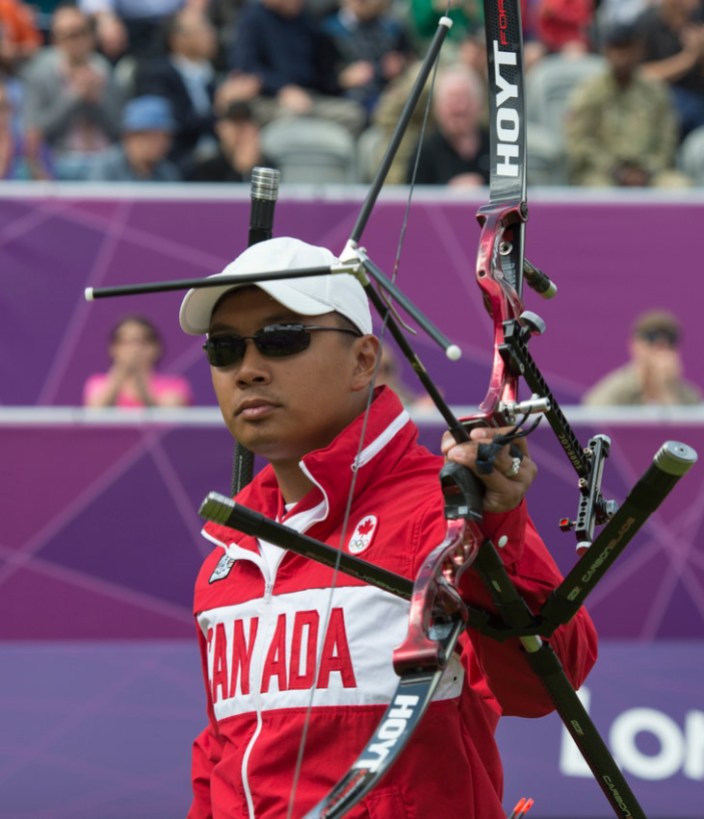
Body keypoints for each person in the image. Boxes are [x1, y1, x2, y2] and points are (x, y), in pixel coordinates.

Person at [177, 236, 597, 817]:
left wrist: (492, 523)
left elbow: (543, 680)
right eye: (224, 349)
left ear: (364, 360)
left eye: (281, 338)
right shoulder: (228, 556)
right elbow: (222, 757)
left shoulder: (439, 507)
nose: (247, 370)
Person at [564, 22, 689, 188]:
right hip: (603, 172)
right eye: (616, 49)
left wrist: (647, 170)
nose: (621, 56)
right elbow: (579, 141)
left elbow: (667, 140)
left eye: (627, 49)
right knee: (600, 194)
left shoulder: (655, 90)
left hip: (648, 171)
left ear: (639, 51)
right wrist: (616, 170)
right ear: (607, 51)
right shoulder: (589, 92)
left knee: (679, 188)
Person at [224, 0, 366, 135]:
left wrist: (340, 80)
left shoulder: (305, 20)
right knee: (294, 116)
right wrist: (283, 88)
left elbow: (320, 71)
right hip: (270, 100)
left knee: (353, 115)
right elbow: (245, 68)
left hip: (309, 97)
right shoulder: (252, 19)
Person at [20, 4, 121, 180]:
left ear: (91, 35)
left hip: (105, 160)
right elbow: (34, 131)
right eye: (68, 35)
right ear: (56, 40)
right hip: (60, 160)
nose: (77, 40)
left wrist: (96, 102)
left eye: (82, 32)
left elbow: (118, 130)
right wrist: (74, 98)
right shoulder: (41, 72)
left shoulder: (103, 69)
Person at [133, 6, 219, 174]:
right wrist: (220, 109)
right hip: (178, 162)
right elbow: (174, 123)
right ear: (178, 39)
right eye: (203, 30)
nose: (212, 34)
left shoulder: (210, 75)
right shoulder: (157, 75)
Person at [582, 309, 702, 406]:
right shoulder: (615, 391)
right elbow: (593, 422)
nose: (660, 348)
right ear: (634, 345)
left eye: (670, 340)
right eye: (651, 338)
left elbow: (686, 432)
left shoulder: (689, 396)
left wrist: (666, 391)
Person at [83, 314, 193, 407]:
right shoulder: (98, 383)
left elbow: (170, 414)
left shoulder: (175, 384)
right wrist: (121, 372)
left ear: (156, 348)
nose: (133, 348)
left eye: (139, 341)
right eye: (125, 342)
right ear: (113, 349)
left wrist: (140, 381)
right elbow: (94, 413)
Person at [408, 63, 490, 186]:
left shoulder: (500, 148)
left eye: (465, 98)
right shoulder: (424, 151)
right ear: (437, 107)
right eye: (451, 100)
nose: (459, 107)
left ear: (479, 104)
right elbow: (411, 199)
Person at [636, 0, 704, 141]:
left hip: (697, 97)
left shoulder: (699, 19)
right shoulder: (647, 22)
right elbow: (640, 75)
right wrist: (689, 58)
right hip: (658, 97)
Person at [87, 94, 181, 180]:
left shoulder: (168, 173)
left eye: (164, 137)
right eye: (150, 136)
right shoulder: (106, 168)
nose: (159, 144)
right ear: (129, 136)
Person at [187, 98, 274, 182]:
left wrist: (248, 170)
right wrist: (239, 170)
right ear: (221, 129)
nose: (240, 133)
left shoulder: (268, 167)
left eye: (245, 126)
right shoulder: (205, 167)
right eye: (236, 126)